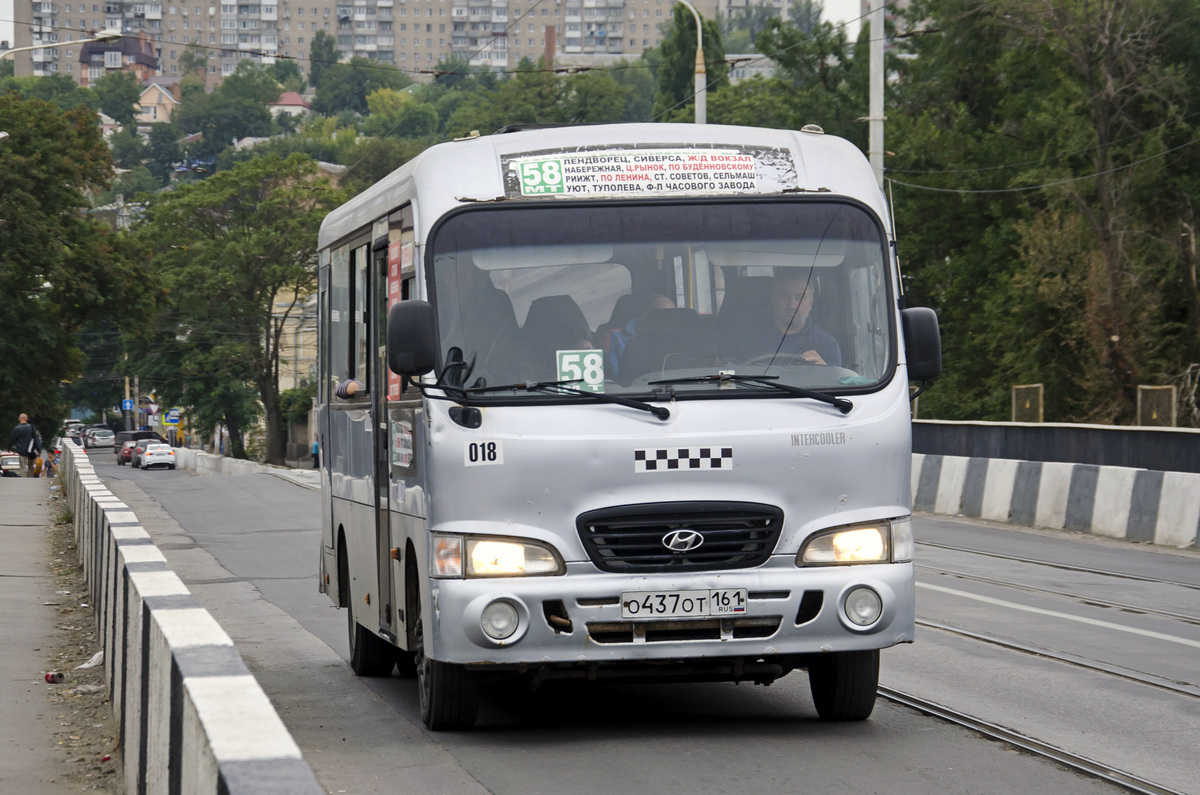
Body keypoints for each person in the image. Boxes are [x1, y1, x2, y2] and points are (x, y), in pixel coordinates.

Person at [729, 270, 841, 367]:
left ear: (810, 303)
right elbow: (726, 382)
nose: (792, 305)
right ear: (773, 299)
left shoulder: (826, 345)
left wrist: (825, 372)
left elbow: (834, 389)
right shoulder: (745, 338)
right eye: (784, 295)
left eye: (800, 297)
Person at [7, 413, 41, 478]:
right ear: (27, 419)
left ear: (19, 419)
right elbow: (36, 439)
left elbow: (12, 439)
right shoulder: (31, 427)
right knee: (31, 467)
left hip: (21, 451)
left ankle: (24, 480)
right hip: (31, 451)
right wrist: (39, 450)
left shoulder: (17, 429)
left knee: (23, 467)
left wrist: (9, 448)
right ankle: (31, 480)